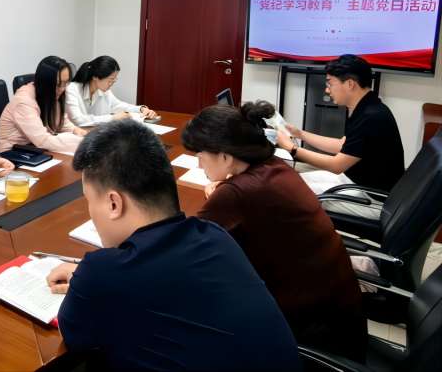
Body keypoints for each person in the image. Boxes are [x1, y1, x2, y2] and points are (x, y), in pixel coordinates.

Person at [46, 120, 300, 371]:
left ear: (114, 203)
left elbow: (77, 339)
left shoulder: (101, 272)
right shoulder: (215, 235)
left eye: (89, 200)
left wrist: (87, 279)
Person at [181, 101, 367, 360]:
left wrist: (224, 193)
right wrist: (225, 189)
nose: (200, 165)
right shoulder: (274, 166)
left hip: (308, 331)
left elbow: (184, 252)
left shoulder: (237, 193)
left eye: (200, 156)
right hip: (340, 315)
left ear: (225, 156)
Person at [276, 55, 404, 217]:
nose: (327, 90)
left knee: (285, 189)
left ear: (350, 84)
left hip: (372, 200)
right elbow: (341, 145)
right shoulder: (368, 106)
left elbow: (337, 165)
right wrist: (300, 134)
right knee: (291, 180)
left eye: (330, 83)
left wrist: (292, 149)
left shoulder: (371, 117)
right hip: (356, 183)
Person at [0, 56, 88, 154]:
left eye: (66, 83)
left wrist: (75, 130)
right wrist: (84, 145)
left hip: (33, 149)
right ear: (45, 83)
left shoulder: (49, 94)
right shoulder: (23, 101)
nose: (62, 89)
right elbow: (43, 140)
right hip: (11, 155)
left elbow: (60, 122)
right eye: (58, 84)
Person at [65, 55, 158, 126]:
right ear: (95, 77)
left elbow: (119, 105)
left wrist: (141, 109)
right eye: (110, 80)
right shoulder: (72, 89)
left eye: (114, 80)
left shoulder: (103, 91)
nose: (112, 83)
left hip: (95, 134)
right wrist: (112, 118)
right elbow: (78, 120)